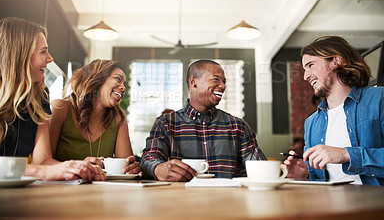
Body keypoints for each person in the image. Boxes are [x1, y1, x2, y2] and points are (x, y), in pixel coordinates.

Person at [0, 17, 104, 181]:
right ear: (19, 55)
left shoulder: (39, 96)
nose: (50, 58)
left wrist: (76, 167)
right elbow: (40, 170)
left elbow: (43, 161)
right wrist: (38, 172)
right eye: (43, 51)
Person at [140, 59, 266, 181]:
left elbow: (260, 167)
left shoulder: (238, 126)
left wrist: (283, 172)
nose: (223, 86)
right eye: (216, 80)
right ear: (193, 82)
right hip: (180, 200)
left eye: (224, 81)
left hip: (229, 200)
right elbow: (148, 159)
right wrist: (158, 168)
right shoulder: (165, 123)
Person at [284, 36, 384, 185]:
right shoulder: (311, 123)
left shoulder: (379, 99)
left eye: (310, 65)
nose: (305, 76)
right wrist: (303, 175)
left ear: (336, 61)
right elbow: (317, 177)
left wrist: (346, 154)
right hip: (328, 206)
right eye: (304, 69)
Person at [49, 59, 140, 175]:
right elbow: (43, 163)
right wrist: (79, 167)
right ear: (97, 79)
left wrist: (131, 169)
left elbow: (125, 168)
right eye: (118, 79)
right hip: (59, 189)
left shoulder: (118, 118)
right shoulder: (60, 108)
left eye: (124, 85)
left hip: (101, 190)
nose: (123, 88)